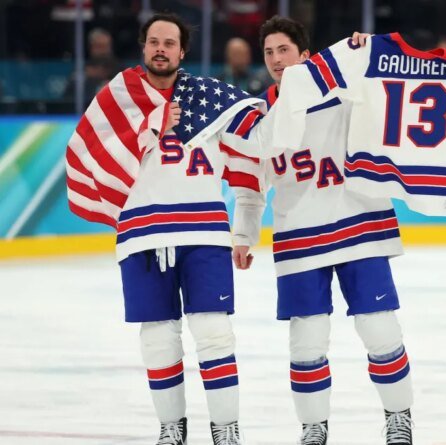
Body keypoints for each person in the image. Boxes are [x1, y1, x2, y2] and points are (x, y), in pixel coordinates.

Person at [65, 12, 275, 445]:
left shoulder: (211, 97)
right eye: (154, 42)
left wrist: (244, 230)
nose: (161, 49)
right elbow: (88, 153)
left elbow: (255, 147)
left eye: (169, 43)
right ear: (143, 47)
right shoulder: (117, 97)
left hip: (204, 233)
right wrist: (151, 125)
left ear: (182, 52)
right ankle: (171, 431)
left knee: (214, 335)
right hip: (143, 234)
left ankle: (226, 431)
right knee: (158, 340)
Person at [231, 17, 413, 445]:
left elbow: (394, 89)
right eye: (269, 52)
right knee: (306, 342)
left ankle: (398, 419)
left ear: (306, 56)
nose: (276, 60)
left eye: (284, 50)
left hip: (360, 226)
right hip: (298, 237)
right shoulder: (257, 117)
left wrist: (372, 52)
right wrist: (243, 234)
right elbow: (250, 186)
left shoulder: (347, 93)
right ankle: (313, 429)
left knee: (380, 329)